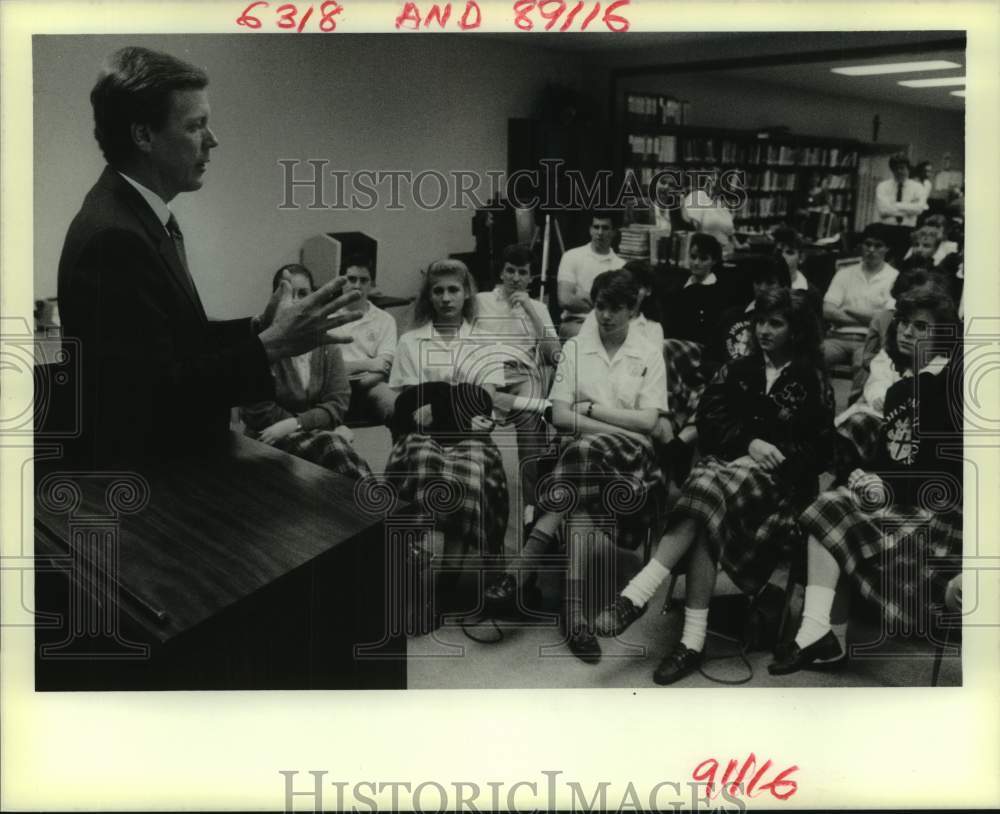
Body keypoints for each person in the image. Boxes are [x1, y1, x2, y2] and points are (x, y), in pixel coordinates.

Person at [57, 46, 361, 467]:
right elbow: (152, 396)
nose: (213, 140)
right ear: (143, 135)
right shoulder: (115, 237)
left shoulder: (134, 215)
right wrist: (270, 346)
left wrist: (257, 329)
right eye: (196, 126)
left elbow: (169, 343)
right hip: (152, 481)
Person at [595, 289, 834, 686]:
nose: (763, 331)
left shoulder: (814, 379)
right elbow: (709, 419)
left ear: (796, 329)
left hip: (778, 491)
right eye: (760, 321)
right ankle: (690, 640)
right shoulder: (739, 368)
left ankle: (639, 596)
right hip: (725, 481)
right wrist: (747, 444)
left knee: (705, 490)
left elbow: (822, 450)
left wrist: (769, 454)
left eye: (775, 323)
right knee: (708, 498)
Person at [769, 292, 962, 675]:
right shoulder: (902, 387)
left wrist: (885, 485)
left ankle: (817, 632)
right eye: (904, 322)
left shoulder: (949, 385)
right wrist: (869, 477)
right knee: (832, 503)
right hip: (904, 493)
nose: (907, 332)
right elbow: (898, 455)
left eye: (921, 326)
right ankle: (819, 633)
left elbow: (947, 472)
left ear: (942, 335)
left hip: (944, 510)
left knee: (831, 507)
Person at [486, 270, 671, 663]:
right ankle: (574, 617)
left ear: (632, 308)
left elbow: (649, 422)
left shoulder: (649, 353)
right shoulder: (574, 349)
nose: (605, 316)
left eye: (616, 308)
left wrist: (593, 412)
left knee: (579, 457)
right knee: (582, 476)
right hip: (588, 457)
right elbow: (560, 416)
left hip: (632, 464)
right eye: (600, 307)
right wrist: (622, 427)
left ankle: (521, 570)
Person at [386, 259, 508, 611]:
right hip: (421, 438)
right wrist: (456, 403)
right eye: (438, 291)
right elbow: (411, 408)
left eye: (453, 289)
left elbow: (483, 402)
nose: (446, 298)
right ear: (429, 296)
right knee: (426, 463)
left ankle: (445, 586)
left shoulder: (484, 342)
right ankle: (409, 563)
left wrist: (439, 400)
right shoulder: (411, 342)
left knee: (467, 476)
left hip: (472, 439)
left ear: (467, 292)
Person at [240, 265, 372, 481]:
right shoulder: (262, 343)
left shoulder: (327, 345)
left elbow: (338, 403)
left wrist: (295, 424)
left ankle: (374, 503)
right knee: (334, 446)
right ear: (275, 299)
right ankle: (376, 505)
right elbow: (258, 413)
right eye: (289, 293)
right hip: (268, 442)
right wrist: (320, 425)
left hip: (311, 436)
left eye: (303, 293)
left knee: (335, 454)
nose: (297, 301)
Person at [474, 244, 560, 528]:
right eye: (510, 270)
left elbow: (553, 355)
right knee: (473, 421)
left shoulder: (539, 307)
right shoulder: (480, 301)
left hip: (523, 375)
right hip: (487, 371)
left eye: (522, 272)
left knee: (531, 421)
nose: (514, 277)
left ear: (531, 277)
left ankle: (531, 510)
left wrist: (530, 311)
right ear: (501, 272)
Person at [327, 254, 398, 423]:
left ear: (372, 285)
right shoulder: (327, 317)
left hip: (370, 385)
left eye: (363, 280)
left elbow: (384, 367)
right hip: (330, 389)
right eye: (351, 279)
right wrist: (367, 364)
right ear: (342, 282)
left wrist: (356, 383)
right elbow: (327, 370)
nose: (357, 285)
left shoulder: (385, 320)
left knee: (395, 405)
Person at [822, 223, 898, 369]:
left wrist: (849, 309)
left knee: (863, 363)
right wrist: (870, 319)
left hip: (870, 340)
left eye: (878, 245)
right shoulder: (844, 273)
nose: (871, 250)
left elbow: (886, 318)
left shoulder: (894, 277)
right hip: (837, 338)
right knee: (813, 358)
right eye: (867, 244)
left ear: (887, 249)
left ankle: (857, 393)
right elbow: (827, 311)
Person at [662, 233, 736, 354]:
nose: (696, 262)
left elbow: (711, 333)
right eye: (693, 257)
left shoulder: (719, 293)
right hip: (673, 344)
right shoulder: (677, 285)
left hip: (701, 350)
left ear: (713, 261)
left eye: (703, 259)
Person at [556, 210, 625, 339]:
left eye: (605, 228)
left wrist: (586, 297)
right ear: (590, 230)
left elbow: (621, 307)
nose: (599, 233)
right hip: (576, 323)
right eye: (596, 227)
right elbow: (565, 299)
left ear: (614, 232)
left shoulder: (621, 265)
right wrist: (605, 304)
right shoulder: (572, 256)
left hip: (609, 325)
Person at [713, 254, 790, 365]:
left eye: (770, 283)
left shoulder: (789, 321)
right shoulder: (731, 316)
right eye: (758, 282)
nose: (762, 288)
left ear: (784, 286)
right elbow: (711, 357)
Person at [874, 154, 927, 263]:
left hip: (908, 231)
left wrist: (895, 205)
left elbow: (919, 209)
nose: (899, 171)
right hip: (886, 230)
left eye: (902, 168)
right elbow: (883, 211)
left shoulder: (918, 188)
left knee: (904, 263)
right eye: (896, 168)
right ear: (891, 170)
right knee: (884, 262)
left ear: (908, 169)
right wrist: (909, 207)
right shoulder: (882, 186)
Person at [682, 173, 738, 260]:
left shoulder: (721, 204)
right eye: (711, 180)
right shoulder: (698, 196)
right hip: (707, 254)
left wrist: (738, 245)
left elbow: (731, 233)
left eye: (718, 181)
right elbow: (692, 226)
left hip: (728, 253)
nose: (715, 184)